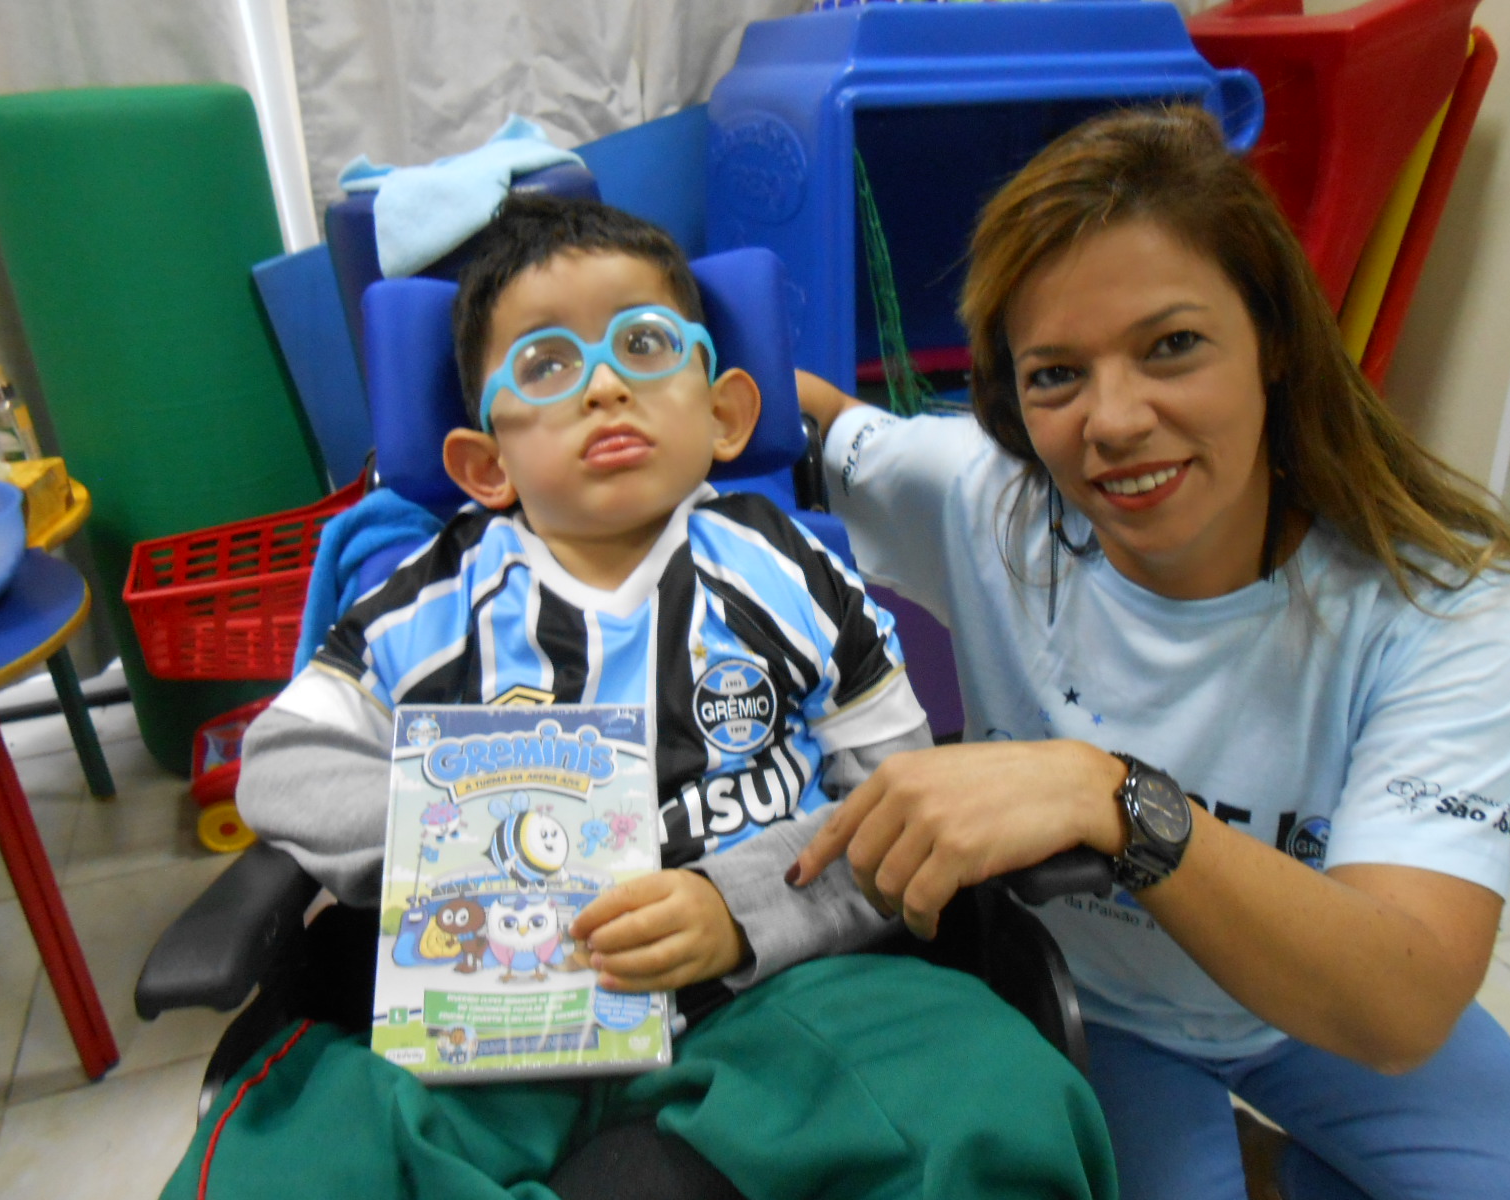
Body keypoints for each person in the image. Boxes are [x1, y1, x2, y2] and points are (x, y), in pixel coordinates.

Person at [160, 194, 1116, 1200]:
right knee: (297, 1155)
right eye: (545, 365)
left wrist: (738, 909)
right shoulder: (418, 609)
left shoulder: (792, 575)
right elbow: (282, 762)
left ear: (724, 414)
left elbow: (906, 803)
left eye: (645, 343)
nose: (605, 384)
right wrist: (455, 838)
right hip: (492, 1016)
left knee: (988, 1098)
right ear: (484, 464)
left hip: (784, 990)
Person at [791, 105, 1510, 1200]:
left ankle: (1283, 1163)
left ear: (1275, 340)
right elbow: (804, 421)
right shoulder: (983, 492)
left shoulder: (1443, 602)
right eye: (1053, 374)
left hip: (1311, 998)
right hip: (1085, 996)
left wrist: (1113, 798)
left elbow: (1402, 1002)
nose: (1113, 421)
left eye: (1172, 346)